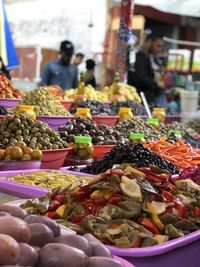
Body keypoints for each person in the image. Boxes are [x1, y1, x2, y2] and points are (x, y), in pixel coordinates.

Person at [128, 34, 165, 103]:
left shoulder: (147, 57)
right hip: (140, 99)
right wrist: (156, 83)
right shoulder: (139, 57)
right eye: (158, 46)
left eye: (161, 47)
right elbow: (140, 78)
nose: (159, 49)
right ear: (149, 42)